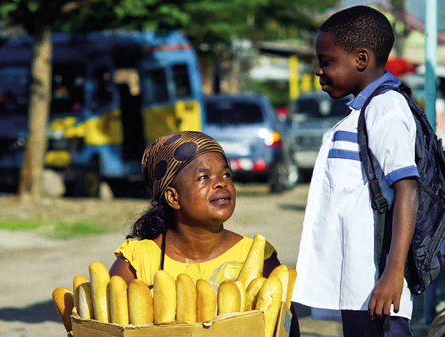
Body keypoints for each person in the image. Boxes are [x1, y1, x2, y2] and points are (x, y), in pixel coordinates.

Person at [292, 6, 419, 337]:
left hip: (378, 289)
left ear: (361, 59)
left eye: (327, 61)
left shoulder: (385, 108)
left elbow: (407, 188)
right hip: (358, 288)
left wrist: (393, 273)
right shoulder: (361, 113)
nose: (319, 71)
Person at [109, 131, 300, 335]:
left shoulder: (258, 257)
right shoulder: (136, 263)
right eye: (204, 177)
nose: (220, 183)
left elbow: (288, 329)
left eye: (226, 174)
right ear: (173, 197)